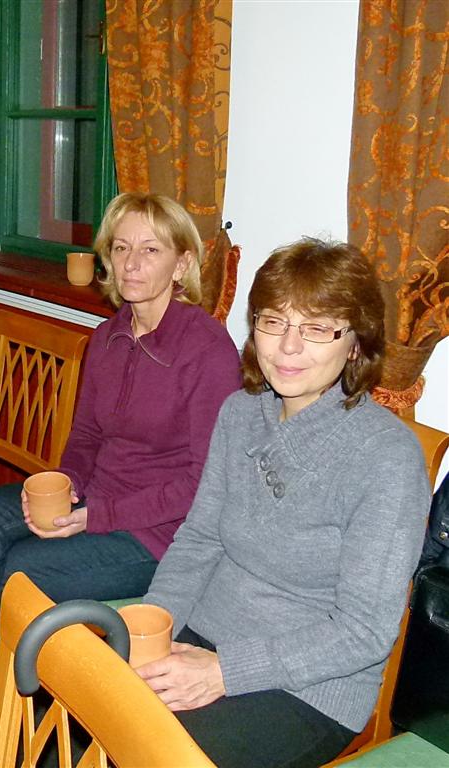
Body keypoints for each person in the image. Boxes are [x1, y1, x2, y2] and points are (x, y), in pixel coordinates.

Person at [0, 192, 242, 763]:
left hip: (159, 534)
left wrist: (95, 517)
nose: (131, 263)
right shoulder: (107, 336)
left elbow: (204, 485)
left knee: (24, 569)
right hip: (97, 501)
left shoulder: (206, 350)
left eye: (150, 250)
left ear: (181, 263)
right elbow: (83, 438)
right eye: (120, 248)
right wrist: (66, 489)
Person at [139, 238, 432, 768]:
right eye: (274, 322)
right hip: (203, 632)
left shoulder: (387, 457)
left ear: (355, 345)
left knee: (153, 755)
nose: (288, 347)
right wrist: (154, 626)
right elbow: (199, 540)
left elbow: (363, 632)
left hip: (309, 687)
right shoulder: (240, 412)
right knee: (81, 718)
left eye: (317, 328)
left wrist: (223, 671)